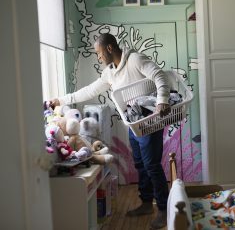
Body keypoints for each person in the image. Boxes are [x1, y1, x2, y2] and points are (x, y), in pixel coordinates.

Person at [50, 33, 170, 229]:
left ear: (109, 48)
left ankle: (164, 211)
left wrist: (163, 99)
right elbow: (89, 90)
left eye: (98, 53)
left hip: (149, 122)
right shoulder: (110, 73)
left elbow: (159, 75)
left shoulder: (135, 60)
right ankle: (147, 204)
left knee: (152, 166)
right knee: (140, 164)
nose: (98, 58)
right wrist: (62, 100)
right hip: (133, 124)